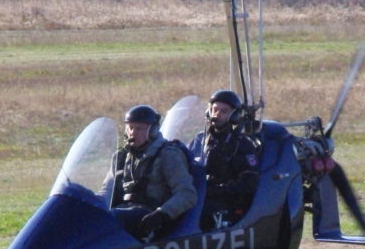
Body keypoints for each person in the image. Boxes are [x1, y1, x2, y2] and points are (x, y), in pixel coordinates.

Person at [108, 104, 197, 239]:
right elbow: (105, 191)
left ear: (152, 131)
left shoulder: (168, 154)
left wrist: (161, 214)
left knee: (113, 217)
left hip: (151, 217)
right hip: (123, 212)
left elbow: (187, 194)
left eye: (139, 128)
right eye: (130, 127)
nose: (132, 133)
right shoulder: (120, 157)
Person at [188, 89, 260, 230]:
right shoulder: (200, 140)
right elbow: (185, 165)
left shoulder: (241, 145)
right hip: (199, 195)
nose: (217, 114)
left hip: (225, 202)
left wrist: (218, 190)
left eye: (224, 111)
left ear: (234, 116)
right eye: (214, 110)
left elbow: (249, 182)